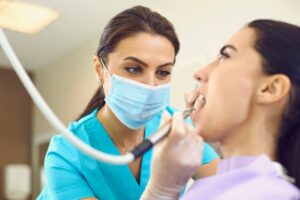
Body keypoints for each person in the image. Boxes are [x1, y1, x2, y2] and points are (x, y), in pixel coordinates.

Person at [37, 6, 219, 200]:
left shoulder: (177, 129)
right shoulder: (66, 153)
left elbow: (237, 187)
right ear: (99, 69)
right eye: (133, 69)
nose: (150, 85)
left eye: (163, 72)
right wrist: (161, 189)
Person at [141, 19, 300, 200]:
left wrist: (160, 192)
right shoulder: (227, 186)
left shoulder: (268, 195)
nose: (199, 73)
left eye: (225, 56)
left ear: (270, 89)